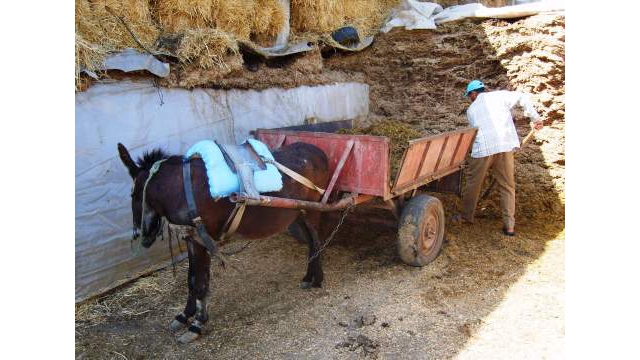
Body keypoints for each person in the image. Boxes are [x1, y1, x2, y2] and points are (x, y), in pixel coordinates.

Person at [452, 80, 543, 236]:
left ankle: (467, 216)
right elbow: (523, 98)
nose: (470, 98)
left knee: (473, 184)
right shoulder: (500, 96)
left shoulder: (471, 110)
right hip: (505, 146)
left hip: (483, 150)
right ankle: (509, 227)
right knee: (508, 186)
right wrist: (535, 119)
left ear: (473, 94)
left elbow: (475, 131)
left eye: (470, 96)